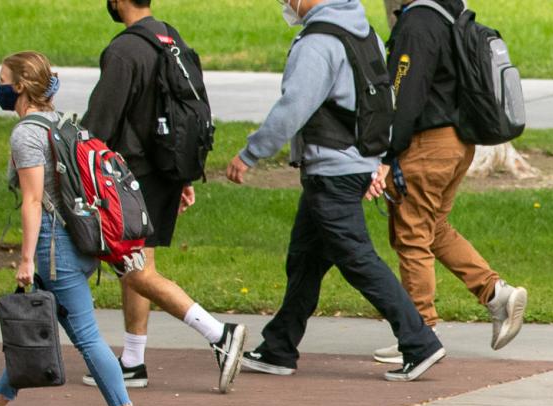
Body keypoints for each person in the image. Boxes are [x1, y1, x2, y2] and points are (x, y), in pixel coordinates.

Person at [225, 0, 446, 382]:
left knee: (358, 259)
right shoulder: (365, 33)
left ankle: (419, 341)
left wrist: (249, 154)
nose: (286, 2)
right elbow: (382, 101)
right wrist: (374, 160)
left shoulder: (317, 43)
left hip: (332, 170)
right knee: (305, 261)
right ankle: (279, 347)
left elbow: (293, 107)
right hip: (350, 163)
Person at [0, 51, 146, 406]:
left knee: (85, 335)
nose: (0, 87)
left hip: (54, 247)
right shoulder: (61, 123)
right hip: (78, 241)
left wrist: (26, 260)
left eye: (3, 80)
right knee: (39, 325)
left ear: (20, 87)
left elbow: (33, 201)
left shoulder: (26, 134)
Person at [79, 0, 248, 391]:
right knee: (137, 264)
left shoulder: (124, 50)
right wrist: (183, 176)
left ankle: (220, 334)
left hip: (130, 175)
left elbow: (99, 124)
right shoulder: (171, 38)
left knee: (136, 270)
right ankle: (133, 361)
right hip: (165, 172)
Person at [379, 0, 527, 355]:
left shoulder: (417, 23)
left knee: (412, 233)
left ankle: (420, 334)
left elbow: (405, 96)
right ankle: (496, 294)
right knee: (435, 228)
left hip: (428, 143)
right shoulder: (451, 13)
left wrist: (388, 152)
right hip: (459, 142)